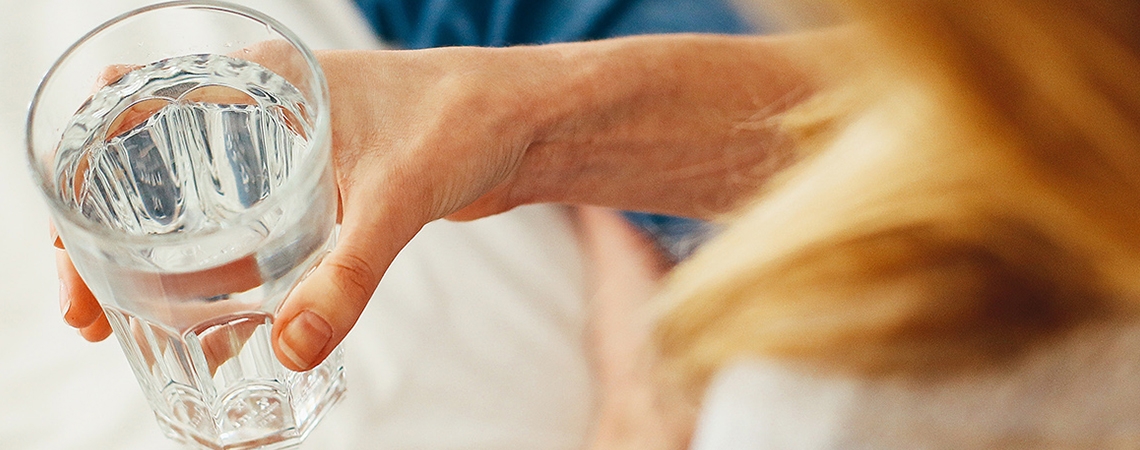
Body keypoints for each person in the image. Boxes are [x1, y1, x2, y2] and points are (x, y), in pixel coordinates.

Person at [55, 0, 1140, 447]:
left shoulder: (839, 406)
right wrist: (524, 119)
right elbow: (995, 129)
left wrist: (640, 378)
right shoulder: (1075, 98)